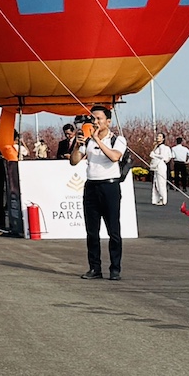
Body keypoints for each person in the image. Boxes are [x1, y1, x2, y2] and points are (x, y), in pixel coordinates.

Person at [69, 106, 128, 281]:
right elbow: (74, 161)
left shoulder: (118, 139)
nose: (95, 122)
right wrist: (79, 145)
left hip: (109, 187)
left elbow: (115, 157)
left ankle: (115, 268)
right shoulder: (88, 140)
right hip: (91, 187)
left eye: (98, 119)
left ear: (108, 121)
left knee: (113, 230)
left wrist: (97, 140)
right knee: (92, 231)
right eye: (92, 119)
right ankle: (94, 268)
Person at [148, 133, 171, 207]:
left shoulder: (163, 147)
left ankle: (163, 199)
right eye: (158, 136)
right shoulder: (157, 146)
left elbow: (164, 157)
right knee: (156, 182)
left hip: (160, 165)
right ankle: (156, 199)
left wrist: (153, 155)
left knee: (160, 182)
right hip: (156, 166)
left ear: (163, 139)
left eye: (160, 136)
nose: (158, 137)